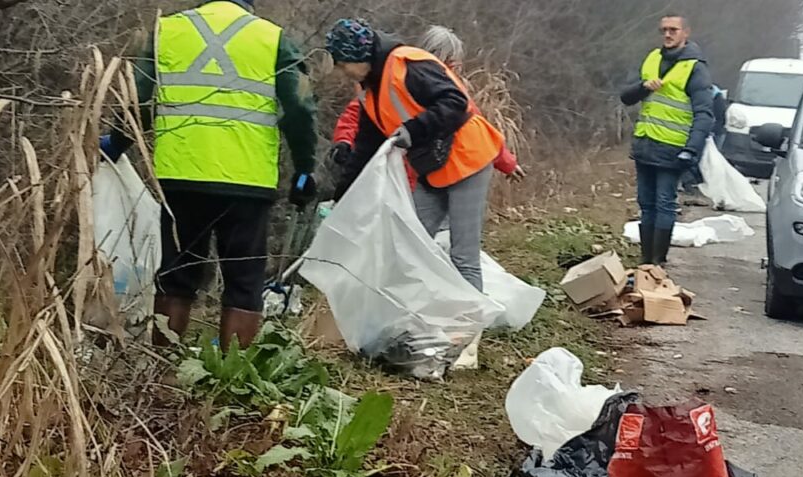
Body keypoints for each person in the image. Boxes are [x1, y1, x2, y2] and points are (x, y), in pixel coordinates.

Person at [99, 0, 317, 350]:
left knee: (175, 277)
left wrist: (117, 143)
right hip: (248, 181)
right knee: (244, 283)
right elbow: (300, 108)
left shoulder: (165, 31)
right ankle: (228, 378)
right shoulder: (272, 38)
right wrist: (305, 168)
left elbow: (138, 100)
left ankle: (162, 365)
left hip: (180, 177)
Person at [325, 18, 505, 292]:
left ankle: (468, 326)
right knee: (409, 247)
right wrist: (341, 198)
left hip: (468, 159)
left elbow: (455, 102)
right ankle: (413, 317)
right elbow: (365, 148)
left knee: (462, 254)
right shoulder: (370, 89)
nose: (342, 71)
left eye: (342, 63)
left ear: (357, 55)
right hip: (431, 166)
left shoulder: (407, 65)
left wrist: (413, 129)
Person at [328, 25, 524, 185]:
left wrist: (507, 163)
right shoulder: (395, 77)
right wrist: (344, 143)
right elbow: (361, 122)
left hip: (431, 169)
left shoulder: (396, 76)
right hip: (413, 171)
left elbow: (474, 128)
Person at [620, 14, 714, 266]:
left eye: (673, 30)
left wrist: (692, 149)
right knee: (645, 204)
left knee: (664, 204)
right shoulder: (652, 58)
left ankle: (657, 262)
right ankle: (645, 261)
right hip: (646, 144)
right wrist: (643, 86)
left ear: (686, 33)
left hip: (673, 148)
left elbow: (705, 114)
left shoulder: (695, 68)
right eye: (664, 30)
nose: (668, 34)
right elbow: (626, 96)